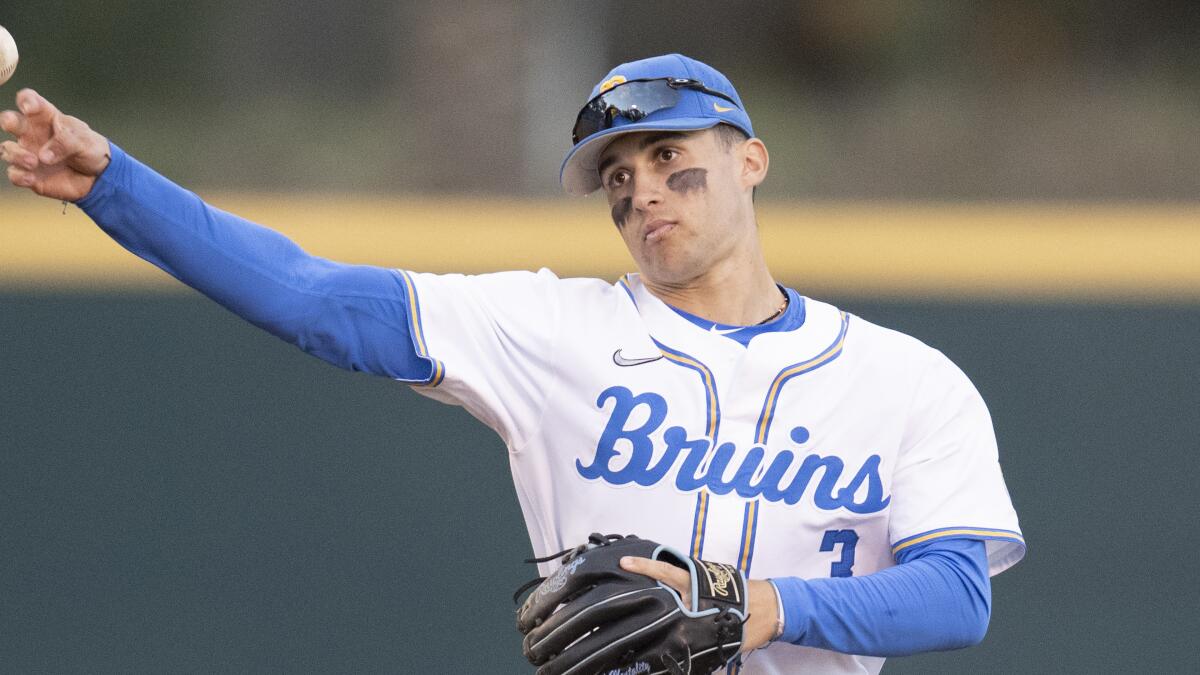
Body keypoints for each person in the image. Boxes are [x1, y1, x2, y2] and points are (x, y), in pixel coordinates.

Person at [1, 54, 1024, 674]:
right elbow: (315, 299)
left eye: (673, 156)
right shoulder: (550, 329)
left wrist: (750, 604)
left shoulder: (907, 379)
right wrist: (113, 188)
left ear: (750, 158)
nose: (645, 191)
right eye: (619, 175)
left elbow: (955, 597)